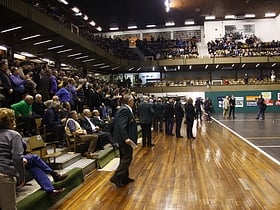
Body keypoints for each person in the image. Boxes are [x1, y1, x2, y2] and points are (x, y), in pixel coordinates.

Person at [110, 94, 137, 187]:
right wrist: (126, 138)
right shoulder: (125, 110)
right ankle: (116, 177)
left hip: (123, 138)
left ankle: (124, 178)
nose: (134, 101)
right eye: (133, 100)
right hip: (124, 139)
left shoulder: (124, 109)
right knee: (127, 158)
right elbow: (122, 125)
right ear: (129, 101)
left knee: (124, 158)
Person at [0, 108, 25, 210]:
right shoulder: (14, 135)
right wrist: (21, 176)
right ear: (11, 121)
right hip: (4, 175)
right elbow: (17, 157)